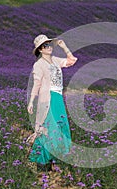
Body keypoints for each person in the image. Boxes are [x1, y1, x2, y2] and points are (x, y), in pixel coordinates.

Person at [27, 34, 77, 172]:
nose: (48, 47)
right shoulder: (39, 64)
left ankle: (52, 159)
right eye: (44, 46)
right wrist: (31, 101)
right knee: (49, 128)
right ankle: (41, 162)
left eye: (49, 44)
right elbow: (36, 85)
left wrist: (64, 46)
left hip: (58, 97)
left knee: (61, 127)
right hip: (47, 98)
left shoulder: (55, 60)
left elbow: (71, 60)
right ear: (40, 50)